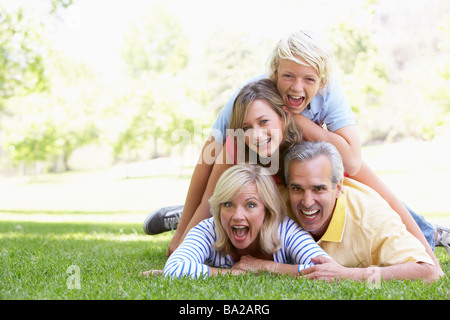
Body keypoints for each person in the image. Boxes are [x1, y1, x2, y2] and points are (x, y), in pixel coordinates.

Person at [144, 29, 446, 268]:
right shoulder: (248, 108)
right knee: (231, 199)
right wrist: (183, 236)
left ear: (322, 82)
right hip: (258, 175)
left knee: (341, 183)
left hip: (300, 160)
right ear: (275, 75)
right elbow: (207, 167)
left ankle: (430, 232)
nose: (296, 88)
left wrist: (299, 123)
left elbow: (363, 174)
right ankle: (189, 215)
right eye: (288, 76)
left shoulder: (322, 111)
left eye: (309, 80)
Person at [233, 141, 442, 282]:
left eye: (319, 189)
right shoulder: (275, 203)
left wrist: (348, 274)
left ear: (338, 187)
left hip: (384, 216)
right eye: (297, 189)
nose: (307, 202)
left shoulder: (372, 220)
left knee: (420, 233)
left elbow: (430, 273)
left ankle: (435, 232)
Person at [149, 164, 329, 278]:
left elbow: (326, 269)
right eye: (228, 204)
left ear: (266, 210)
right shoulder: (208, 230)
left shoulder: (285, 231)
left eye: (250, 205)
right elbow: (174, 268)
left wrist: (266, 267)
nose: (237, 215)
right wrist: (233, 273)